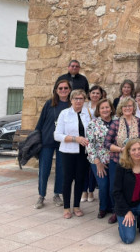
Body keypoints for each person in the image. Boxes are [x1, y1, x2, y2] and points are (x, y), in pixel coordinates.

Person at [104, 96, 140, 224]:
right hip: (118, 160)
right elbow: (107, 143)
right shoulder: (116, 123)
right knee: (115, 187)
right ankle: (117, 211)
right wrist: (121, 149)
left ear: (133, 108)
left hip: (136, 162)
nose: (127, 108)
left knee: (134, 187)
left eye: (130, 106)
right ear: (120, 109)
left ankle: (137, 213)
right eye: (125, 106)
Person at [33, 79, 71, 209]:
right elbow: (40, 123)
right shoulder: (49, 104)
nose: (63, 90)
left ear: (69, 90)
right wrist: (37, 138)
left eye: (65, 88)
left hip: (63, 142)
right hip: (47, 141)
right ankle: (41, 196)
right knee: (44, 170)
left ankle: (57, 194)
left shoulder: (71, 106)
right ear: (55, 90)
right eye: (60, 88)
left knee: (61, 170)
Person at [54, 89, 91, 219]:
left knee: (80, 179)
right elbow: (57, 135)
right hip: (68, 152)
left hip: (83, 152)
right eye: (76, 98)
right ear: (71, 100)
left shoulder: (87, 113)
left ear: (84, 100)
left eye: (81, 98)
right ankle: (66, 208)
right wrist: (76, 139)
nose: (78, 101)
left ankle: (76, 206)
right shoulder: (64, 114)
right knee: (67, 179)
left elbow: (91, 131)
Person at [112, 139, 140, 244]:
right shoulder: (122, 166)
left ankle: (139, 219)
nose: (137, 152)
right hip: (124, 206)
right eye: (133, 150)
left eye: (139, 149)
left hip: (139, 203)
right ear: (128, 151)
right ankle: (123, 224)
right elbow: (116, 192)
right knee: (128, 239)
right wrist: (126, 211)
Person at [86, 99, 115, 219]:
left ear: (111, 108)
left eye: (107, 107)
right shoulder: (93, 124)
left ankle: (113, 208)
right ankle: (103, 208)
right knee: (103, 184)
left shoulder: (117, 122)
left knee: (113, 185)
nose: (105, 110)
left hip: (114, 160)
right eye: (102, 108)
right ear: (98, 110)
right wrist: (97, 162)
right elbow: (89, 144)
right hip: (98, 160)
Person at [82, 85, 105, 203]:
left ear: (101, 95)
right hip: (83, 141)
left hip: (96, 143)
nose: (95, 95)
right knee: (84, 168)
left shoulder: (102, 107)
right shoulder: (84, 106)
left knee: (93, 168)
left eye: (97, 93)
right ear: (89, 94)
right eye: (93, 93)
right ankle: (84, 190)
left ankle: (91, 190)